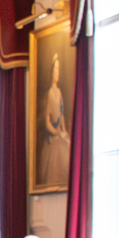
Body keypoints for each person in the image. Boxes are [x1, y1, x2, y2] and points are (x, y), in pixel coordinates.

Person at [38, 55, 71, 188]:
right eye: (55, 69)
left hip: (60, 132)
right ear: (51, 72)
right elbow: (47, 123)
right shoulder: (49, 93)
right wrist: (57, 133)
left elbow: (61, 115)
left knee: (68, 145)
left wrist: (64, 131)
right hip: (53, 136)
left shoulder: (59, 92)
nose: (57, 72)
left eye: (58, 69)